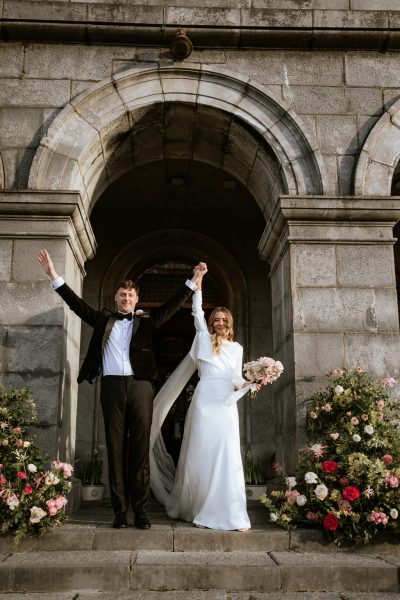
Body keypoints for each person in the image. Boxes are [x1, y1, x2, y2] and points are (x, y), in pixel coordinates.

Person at [37, 249, 202, 529]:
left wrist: (194, 279)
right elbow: (77, 305)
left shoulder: (148, 321)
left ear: (136, 299)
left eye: (131, 295)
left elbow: (173, 305)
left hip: (141, 387)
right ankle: (119, 511)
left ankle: (140, 511)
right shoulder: (103, 319)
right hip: (112, 387)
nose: (126, 298)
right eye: (122, 295)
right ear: (116, 297)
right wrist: (53, 275)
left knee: (140, 450)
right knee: (115, 449)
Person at [150, 263, 258, 531]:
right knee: (201, 456)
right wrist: (199, 281)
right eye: (216, 319)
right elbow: (196, 312)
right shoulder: (202, 339)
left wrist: (253, 382)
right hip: (203, 402)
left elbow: (235, 378)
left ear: (230, 324)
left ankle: (232, 513)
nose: (219, 323)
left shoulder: (236, 348)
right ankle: (202, 509)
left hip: (225, 404)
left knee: (227, 455)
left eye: (224, 320)